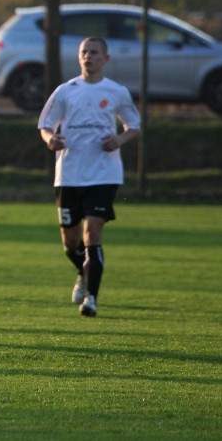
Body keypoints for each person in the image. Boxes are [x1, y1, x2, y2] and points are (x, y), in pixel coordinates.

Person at [38, 36, 141, 318]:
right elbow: (45, 125)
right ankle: (84, 274)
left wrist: (119, 140)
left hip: (104, 174)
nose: (88, 57)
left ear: (105, 59)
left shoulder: (116, 91)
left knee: (92, 233)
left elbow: (134, 126)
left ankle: (91, 300)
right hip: (69, 174)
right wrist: (50, 139)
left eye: (94, 52)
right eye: (84, 52)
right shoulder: (65, 91)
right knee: (71, 243)